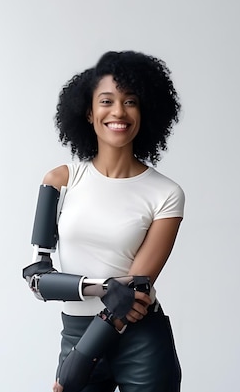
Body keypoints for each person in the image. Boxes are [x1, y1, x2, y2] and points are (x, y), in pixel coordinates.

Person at [24, 50, 184, 392]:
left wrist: (77, 364)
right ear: (88, 111)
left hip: (139, 340)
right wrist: (104, 289)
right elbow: (37, 277)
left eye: (130, 102)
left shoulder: (166, 194)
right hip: (77, 332)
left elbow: (132, 295)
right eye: (107, 100)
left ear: (144, 112)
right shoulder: (60, 180)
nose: (118, 112)